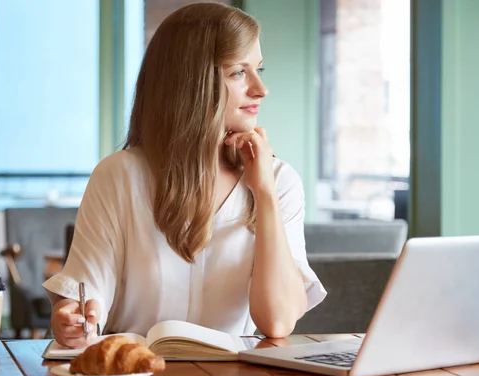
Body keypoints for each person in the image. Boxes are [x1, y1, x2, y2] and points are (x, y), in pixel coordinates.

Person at [43, 2, 327, 349]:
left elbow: (277, 321)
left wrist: (264, 193)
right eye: (239, 72)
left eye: (259, 70)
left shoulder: (279, 181)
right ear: (192, 82)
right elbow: (86, 295)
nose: (260, 89)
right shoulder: (118, 176)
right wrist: (73, 317)